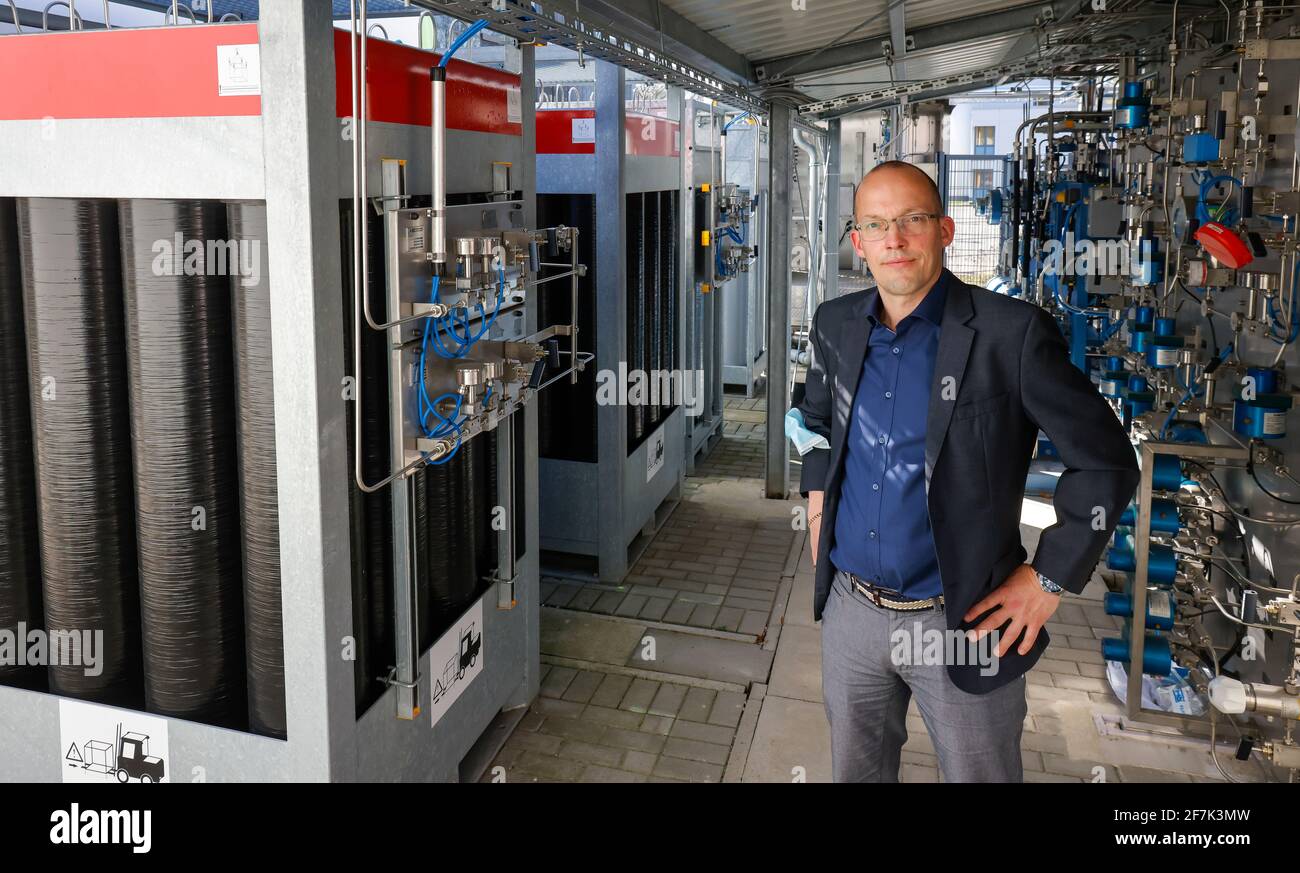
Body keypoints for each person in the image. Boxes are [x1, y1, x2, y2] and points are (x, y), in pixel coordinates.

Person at [796, 160, 1139, 782]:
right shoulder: (835, 324)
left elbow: (1107, 459)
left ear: (945, 230)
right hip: (852, 612)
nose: (893, 240)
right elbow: (813, 421)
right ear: (857, 241)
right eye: (876, 225)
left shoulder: (1011, 334)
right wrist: (817, 504)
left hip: (964, 618)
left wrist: (1049, 578)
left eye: (911, 221)